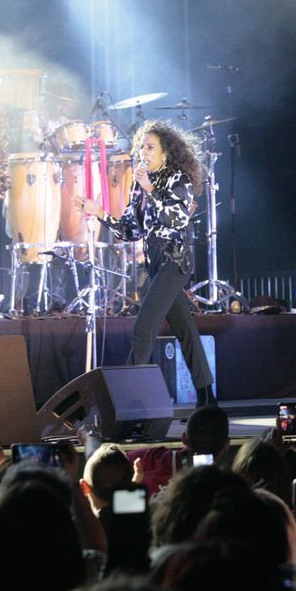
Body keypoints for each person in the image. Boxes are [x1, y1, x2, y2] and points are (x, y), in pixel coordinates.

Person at [73, 120, 215, 406]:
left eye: (150, 148)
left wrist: (151, 190)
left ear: (165, 154)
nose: (143, 153)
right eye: (141, 147)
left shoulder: (178, 180)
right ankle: (207, 399)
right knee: (185, 330)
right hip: (156, 263)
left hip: (174, 261)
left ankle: (127, 404)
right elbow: (131, 231)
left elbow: (177, 219)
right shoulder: (138, 187)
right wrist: (99, 211)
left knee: (143, 328)